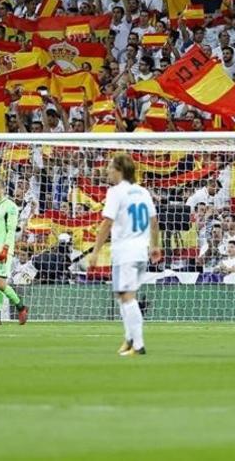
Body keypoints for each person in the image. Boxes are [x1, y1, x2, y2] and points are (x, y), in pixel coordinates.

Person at [88, 153, 161, 357]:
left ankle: (138, 345)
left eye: (110, 167)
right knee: (124, 295)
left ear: (119, 171)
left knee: (127, 297)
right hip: (141, 251)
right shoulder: (143, 192)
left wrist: (95, 252)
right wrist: (155, 246)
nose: (107, 171)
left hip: (125, 252)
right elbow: (154, 221)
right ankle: (129, 339)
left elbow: (107, 223)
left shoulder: (116, 192)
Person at [0, 179, 28, 325]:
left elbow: (11, 230)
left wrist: (6, 248)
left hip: (3, 249)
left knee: (0, 282)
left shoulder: (11, 207)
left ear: (3, 189)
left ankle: (21, 307)